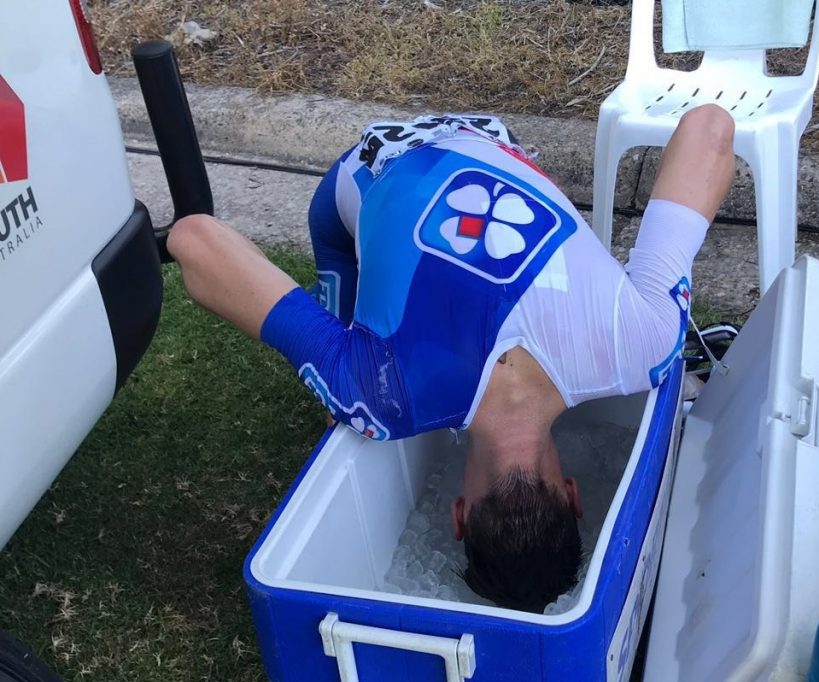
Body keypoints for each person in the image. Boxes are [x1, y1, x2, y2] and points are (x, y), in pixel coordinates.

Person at [167, 105, 736, 612]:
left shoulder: (645, 343)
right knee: (340, 391)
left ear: (572, 496)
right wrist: (342, 384)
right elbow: (194, 238)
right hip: (368, 164)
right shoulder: (378, 396)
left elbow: (710, 128)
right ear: (459, 515)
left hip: (490, 139)